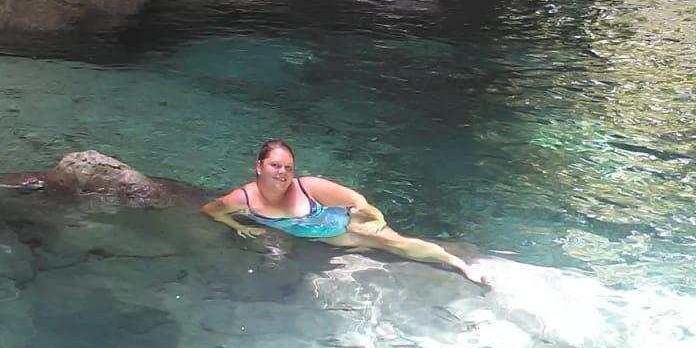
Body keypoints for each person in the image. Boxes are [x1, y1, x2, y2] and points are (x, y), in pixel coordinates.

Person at [201, 140, 486, 284]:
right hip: (333, 240)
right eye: (275, 166)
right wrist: (237, 224)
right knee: (391, 249)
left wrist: (376, 219)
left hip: (350, 225)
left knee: (397, 245)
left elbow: (358, 201)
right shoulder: (244, 198)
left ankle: (460, 265)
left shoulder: (307, 186)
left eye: (288, 167)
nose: (283, 173)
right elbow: (210, 210)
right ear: (259, 166)